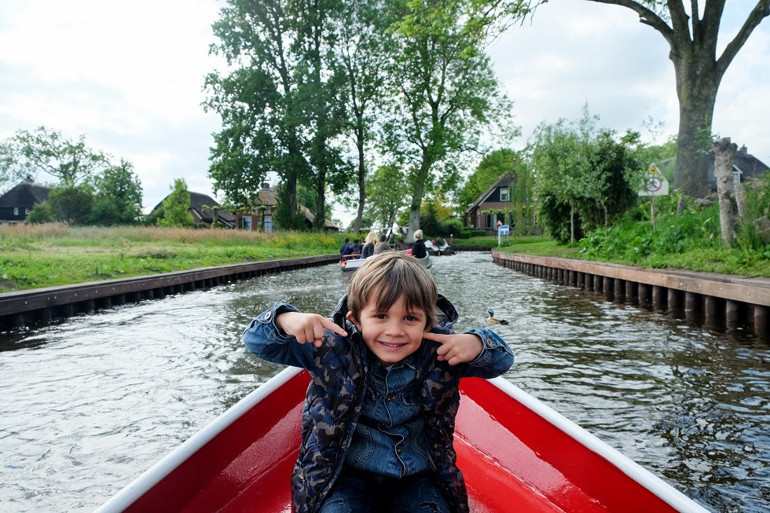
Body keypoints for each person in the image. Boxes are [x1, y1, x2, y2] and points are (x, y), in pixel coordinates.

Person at [243, 252, 514, 513]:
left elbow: (501, 362)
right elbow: (256, 342)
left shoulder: (442, 352)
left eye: (410, 318)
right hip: (344, 476)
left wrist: (478, 343)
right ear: (356, 320)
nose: (394, 331)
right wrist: (284, 318)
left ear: (427, 323)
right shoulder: (328, 345)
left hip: (418, 477)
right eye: (381, 316)